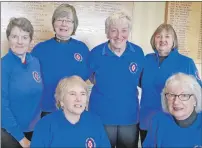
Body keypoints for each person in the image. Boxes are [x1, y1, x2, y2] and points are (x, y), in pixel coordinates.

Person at [87, 11, 145, 148]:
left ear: (129, 32)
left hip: (129, 117)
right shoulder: (95, 53)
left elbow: (141, 80)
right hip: (101, 117)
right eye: (114, 30)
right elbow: (90, 78)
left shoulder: (138, 52)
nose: (119, 36)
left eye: (124, 30)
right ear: (107, 32)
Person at [139, 23, 202, 144]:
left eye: (167, 36)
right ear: (154, 40)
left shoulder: (186, 62)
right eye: (159, 36)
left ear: (174, 41)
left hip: (173, 122)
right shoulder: (146, 59)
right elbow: (137, 82)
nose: (163, 39)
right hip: (147, 119)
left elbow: (198, 92)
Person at [31, 4, 90, 117]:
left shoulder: (82, 48)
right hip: (47, 109)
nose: (64, 24)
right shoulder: (40, 49)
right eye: (60, 19)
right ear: (54, 23)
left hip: (75, 109)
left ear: (74, 24)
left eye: (68, 20)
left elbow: (90, 77)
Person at [30, 75, 110, 147]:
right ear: (61, 100)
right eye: (72, 94)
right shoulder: (45, 126)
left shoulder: (95, 121)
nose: (79, 99)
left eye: (82, 94)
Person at [1, 17, 43, 148]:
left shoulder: (35, 62)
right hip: (11, 134)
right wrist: (21, 138)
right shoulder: (3, 66)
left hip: (35, 130)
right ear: (8, 38)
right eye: (15, 36)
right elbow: (1, 106)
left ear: (31, 41)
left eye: (24, 37)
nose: (20, 42)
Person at [143, 73, 202, 147]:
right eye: (171, 95)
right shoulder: (157, 120)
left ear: (195, 100)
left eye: (184, 95)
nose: (176, 102)